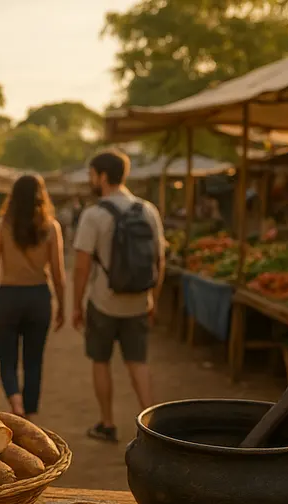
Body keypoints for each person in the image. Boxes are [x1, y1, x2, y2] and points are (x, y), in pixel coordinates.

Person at [72, 149, 166, 443]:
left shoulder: (94, 214)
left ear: (102, 176)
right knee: (138, 363)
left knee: (101, 362)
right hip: (138, 302)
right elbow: (159, 261)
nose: (90, 180)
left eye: (91, 175)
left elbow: (82, 267)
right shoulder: (148, 210)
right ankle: (155, 431)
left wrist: (76, 305)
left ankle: (107, 423)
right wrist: (153, 299)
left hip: (103, 302)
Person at [0, 175, 66, 419]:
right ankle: (28, 413)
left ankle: (14, 400)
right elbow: (59, 274)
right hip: (39, 297)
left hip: (8, 297)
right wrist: (62, 305)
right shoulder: (51, 227)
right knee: (34, 361)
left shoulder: (0, 225)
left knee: (6, 358)